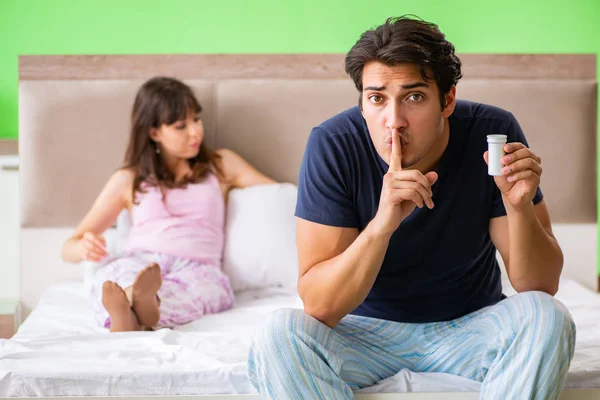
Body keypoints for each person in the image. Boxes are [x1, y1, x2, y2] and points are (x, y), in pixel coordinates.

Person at [248, 16, 575, 399]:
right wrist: (381, 226)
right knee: (278, 335)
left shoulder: (491, 134)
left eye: (414, 97)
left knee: (548, 318)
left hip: (470, 330)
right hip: (364, 335)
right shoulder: (333, 143)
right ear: (362, 102)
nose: (394, 121)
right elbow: (320, 305)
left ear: (447, 99)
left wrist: (517, 206)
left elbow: (538, 286)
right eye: (377, 99)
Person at [61, 77, 275, 332]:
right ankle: (133, 303)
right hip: (140, 261)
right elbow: (68, 247)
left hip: (199, 268)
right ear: (154, 132)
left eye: (196, 119)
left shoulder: (221, 165)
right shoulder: (128, 179)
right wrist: (84, 247)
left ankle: (137, 310)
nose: (195, 131)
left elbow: (284, 195)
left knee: (199, 291)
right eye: (180, 126)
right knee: (116, 278)